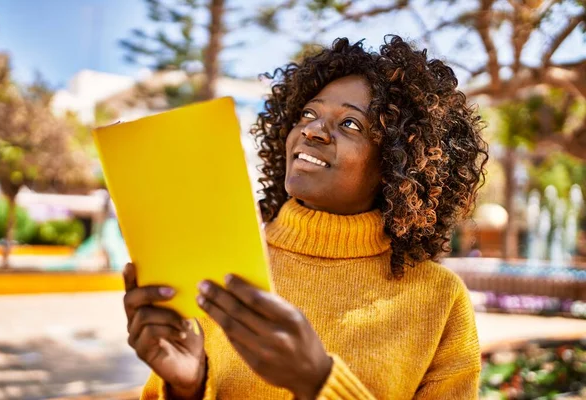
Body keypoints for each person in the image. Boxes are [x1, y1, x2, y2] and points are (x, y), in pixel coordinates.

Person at [123, 35, 489, 399]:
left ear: (398, 163)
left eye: (350, 124)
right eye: (308, 114)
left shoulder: (439, 300)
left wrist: (318, 381)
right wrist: (186, 389)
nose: (312, 130)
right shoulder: (223, 258)